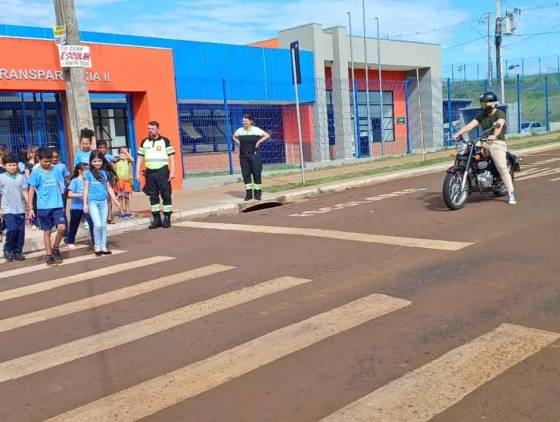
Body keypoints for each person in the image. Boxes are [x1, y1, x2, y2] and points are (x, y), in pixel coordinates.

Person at [452, 91, 517, 205]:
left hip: (496, 142)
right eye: (482, 103)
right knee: (465, 150)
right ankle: (465, 174)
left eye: (485, 103)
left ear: (492, 104)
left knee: (501, 167)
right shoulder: (481, 115)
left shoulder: (499, 113)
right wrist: (459, 133)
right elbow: (471, 125)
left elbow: (500, 124)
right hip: (483, 142)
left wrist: (494, 135)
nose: (483, 106)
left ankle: (511, 193)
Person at [27, 147, 66, 266]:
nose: (48, 163)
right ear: (39, 159)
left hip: (57, 205)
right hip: (43, 207)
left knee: (62, 228)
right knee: (47, 231)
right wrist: (30, 208)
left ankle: (55, 248)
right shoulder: (36, 172)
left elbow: (61, 186)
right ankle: (49, 255)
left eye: (50, 161)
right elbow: (31, 190)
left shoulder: (56, 170)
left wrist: (63, 201)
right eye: (45, 161)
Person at [136, 121, 175, 229]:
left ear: (157, 129)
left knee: (166, 195)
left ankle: (167, 218)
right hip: (150, 173)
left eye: (152, 129)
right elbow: (140, 157)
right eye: (149, 128)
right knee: (153, 196)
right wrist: (137, 172)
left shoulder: (165, 141)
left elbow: (171, 157)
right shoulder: (144, 142)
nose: (150, 131)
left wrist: (172, 171)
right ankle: (156, 219)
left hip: (163, 172)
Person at [83, 150, 120, 256]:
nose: (97, 163)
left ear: (102, 161)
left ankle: (103, 247)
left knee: (103, 225)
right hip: (92, 202)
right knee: (97, 224)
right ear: (91, 162)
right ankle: (97, 246)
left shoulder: (105, 173)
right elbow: (85, 189)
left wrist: (115, 200)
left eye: (99, 161)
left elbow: (109, 188)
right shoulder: (88, 174)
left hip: (104, 202)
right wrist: (85, 204)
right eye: (94, 161)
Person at [232, 114, 270, 201]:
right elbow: (233, 136)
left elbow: (266, 135)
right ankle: (248, 194)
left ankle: (257, 194)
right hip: (243, 155)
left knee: (256, 174)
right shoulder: (240, 130)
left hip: (254, 155)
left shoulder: (256, 130)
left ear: (250, 121)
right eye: (243, 121)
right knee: (246, 175)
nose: (244, 123)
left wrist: (258, 142)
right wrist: (239, 142)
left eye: (245, 121)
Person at [0, 155, 30, 261]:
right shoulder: (1, 178)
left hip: (20, 209)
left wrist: (30, 206)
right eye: (9, 165)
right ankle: (8, 250)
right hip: (7, 209)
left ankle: (18, 251)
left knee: (20, 232)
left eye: (14, 165)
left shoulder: (21, 177)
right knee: (12, 230)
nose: (12, 167)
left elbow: (24, 191)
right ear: (4, 166)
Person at [66, 163, 95, 248]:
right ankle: (70, 241)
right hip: (76, 207)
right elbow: (69, 194)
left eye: (88, 169)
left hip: (88, 207)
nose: (88, 171)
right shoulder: (74, 181)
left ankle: (95, 242)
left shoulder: (89, 180)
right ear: (80, 171)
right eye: (86, 169)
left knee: (92, 223)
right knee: (74, 225)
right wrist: (81, 194)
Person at [97, 140, 116, 224]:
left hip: (108, 179)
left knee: (109, 198)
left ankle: (110, 216)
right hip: (98, 180)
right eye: (100, 148)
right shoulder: (96, 157)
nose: (102, 150)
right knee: (101, 198)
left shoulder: (109, 157)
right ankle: (102, 217)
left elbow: (114, 163)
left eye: (104, 148)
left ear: (106, 149)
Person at [115, 146, 134, 218]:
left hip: (126, 181)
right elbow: (113, 162)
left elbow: (132, 160)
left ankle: (128, 210)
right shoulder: (116, 160)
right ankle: (121, 211)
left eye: (124, 152)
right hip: (119, 181)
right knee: (120, 197)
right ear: (119, 153)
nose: (123, 154)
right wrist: (119, 158)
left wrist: (127, 153)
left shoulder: (127, 160)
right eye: (121, 152)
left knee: (126, 197)